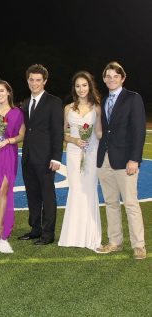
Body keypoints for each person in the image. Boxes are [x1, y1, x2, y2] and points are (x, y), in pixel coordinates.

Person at [96, 62, 147, 260]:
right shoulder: (104, 100)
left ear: (123, 78)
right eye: (108, 76)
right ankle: (115, 242)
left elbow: (138, 131)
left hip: (125, 159)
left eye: (115, 76)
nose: (111, 79)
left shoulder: (133, 98)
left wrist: (134, 159)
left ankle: (139, 245)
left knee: (131, 203)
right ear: (104, 79)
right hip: (105, 159)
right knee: (110, 203)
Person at [18, 64, 64, 245]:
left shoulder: (54, 102)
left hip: (46, 159)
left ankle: (48, 234)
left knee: (47, 196)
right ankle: (35, 229)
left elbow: (57, 132)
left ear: (45, 81)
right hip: (28, 157)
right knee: (33, 196)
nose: (34, 83)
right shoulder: (26, 102)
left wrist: (56, 157)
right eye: (31, 80)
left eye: (38, 80)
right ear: (27, 80)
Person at [58, 71, 102, 251]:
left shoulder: (97, 107)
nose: (81, 89)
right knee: (76, 190)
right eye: (78, 86)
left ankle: (90, 236)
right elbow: (62, 134)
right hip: (74, 153)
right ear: (74, 88)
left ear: (90, 86)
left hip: (92, 153)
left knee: (89, 190)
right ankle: (72, 236)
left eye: (84, 85)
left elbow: (99, 133)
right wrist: (74, 140)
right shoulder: (68, 108)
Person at [0, 80, 25, 253]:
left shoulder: (17, 113)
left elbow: (21, 135)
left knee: (3, 189)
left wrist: (8, 140)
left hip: (9, 152)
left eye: (2, 91)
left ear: (8, 92)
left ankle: (0, 226)